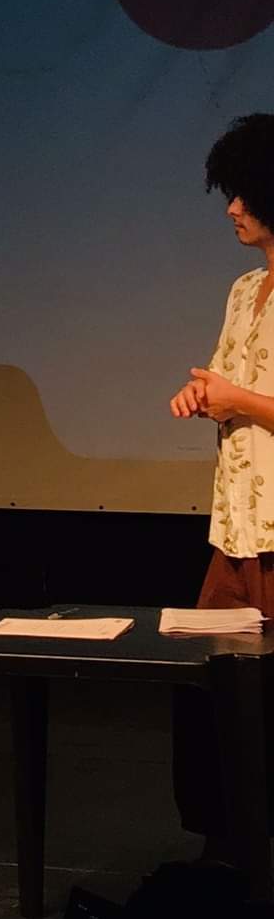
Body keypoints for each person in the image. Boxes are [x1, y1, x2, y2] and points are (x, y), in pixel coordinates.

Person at [169, 112, 274, 842]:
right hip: (236, 526)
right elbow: (228, 381)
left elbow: (248, 395)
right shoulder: (243, 289)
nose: (231, 207)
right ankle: (229, 844)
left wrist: (238, 399)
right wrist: (202, 394)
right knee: (214, 686)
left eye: (241, 192)